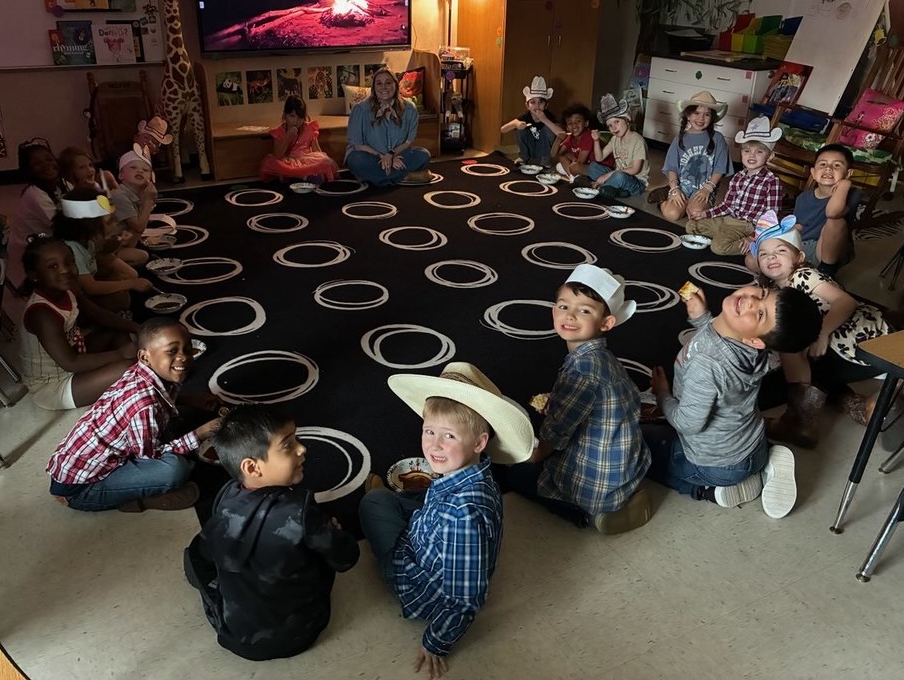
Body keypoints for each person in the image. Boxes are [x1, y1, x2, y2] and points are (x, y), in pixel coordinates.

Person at [359, 362, 534, 679]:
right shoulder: (477, 472)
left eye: (449, 436)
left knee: (373, 503)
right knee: (418, 495)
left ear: (479, 442)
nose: (434, 445)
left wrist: (436, 643)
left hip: (413, 578)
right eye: (429, 431)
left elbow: (464, 598)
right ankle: (397, 501)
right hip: (432, 526)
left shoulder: (462, 514)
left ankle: (384, 501)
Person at [183, 405, 359, 661]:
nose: (302, 448)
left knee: (196, 555)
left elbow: (208, 551)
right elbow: (346, 559)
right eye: (288, 445)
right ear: (253, 468)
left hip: (235, 634)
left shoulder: (226, 496)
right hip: (299, 634)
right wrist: (336, 533)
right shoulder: (300, 512)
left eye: (296, 438)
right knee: (319, 550)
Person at [645, 281, 822, 519]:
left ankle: (709, 491)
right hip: (752, 444)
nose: (751, 301)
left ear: (755, 341)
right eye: (761, 294)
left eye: (760, 314)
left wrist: (662, 395)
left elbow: (687, 422)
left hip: (715, 465)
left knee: (644, 453)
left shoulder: (707, 364)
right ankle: (765, 462)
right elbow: (725, 345)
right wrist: (702, 319)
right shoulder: (754, 347)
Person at [503, 264, 653, 533]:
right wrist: (558, 401)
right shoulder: (603, 359)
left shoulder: (581, 371)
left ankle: (585, 514)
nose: (570, 315)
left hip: (593, 484)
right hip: (626, 464)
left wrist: (516, 451)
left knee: (515, 475)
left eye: (584, 310)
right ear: (554, 310)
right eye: (563, 306)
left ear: (606, 323)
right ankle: (619, 497)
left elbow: (547, 445)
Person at [46, 317, 220, 512]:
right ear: (145, 357)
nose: (183, 357)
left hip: (94, 464)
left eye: (187, 350)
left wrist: (190, 400)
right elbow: (150, 455)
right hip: (81, 489)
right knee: (175, 470)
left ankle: (135, 482)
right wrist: (200, 433)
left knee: (173, 427)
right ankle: (137, 501)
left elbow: (160, 400)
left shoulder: (144, 373)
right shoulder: (144, 404)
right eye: (172, 351)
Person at [752, 211, 893, 447]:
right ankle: (859, 406)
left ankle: (799, 424)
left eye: (781, 251)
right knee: (805, 370)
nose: (771, 257)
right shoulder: (774, 288)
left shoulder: (804, 275)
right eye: (764, 254)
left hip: (866, 345)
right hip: (844, 348)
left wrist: (821, 333)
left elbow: (846, 302)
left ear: (799, 257)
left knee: (791, 348)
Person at [17, 237, 138, 410]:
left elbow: (97, 314)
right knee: (126, 368)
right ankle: (133, 377)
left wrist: (140, 329)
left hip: (75, 354)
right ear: (34, 276)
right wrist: (120, 354)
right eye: (53, 266)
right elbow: (70, 363)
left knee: (115, 330)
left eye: (70, 262)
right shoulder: (41, 313)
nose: (65, 270)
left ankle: (133, 375)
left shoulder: (67, 289)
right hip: (54, 386)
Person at [685, 115, 784, 255]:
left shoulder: (772, 181)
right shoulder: (738, 177)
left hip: (746, 226)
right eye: (747, 151)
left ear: (770, 156)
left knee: (718, 248)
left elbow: (771, 215)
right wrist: (705, 214)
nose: (752, 155)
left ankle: (754, 245)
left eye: (759, 152)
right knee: (691, 226)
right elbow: (727, 205)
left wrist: (753, 237)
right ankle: (723, 236)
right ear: (741, 152)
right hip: (727, 219)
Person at [52, 189, 153, 314]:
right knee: (121, 299)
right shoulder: (71, 250)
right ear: (89, 223)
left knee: (128, 275)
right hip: (80, 302)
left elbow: (104, 253)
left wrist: (118, 240)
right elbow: (90, 287)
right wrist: (131, 284)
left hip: (92, 277)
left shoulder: (86, 239)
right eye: (109, 221)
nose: (114, 223)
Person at [344, 67, 432, 186]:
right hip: (370, 155)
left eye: (388, 83)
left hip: (397, 154)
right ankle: (405, 176)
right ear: (374, 88)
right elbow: (358, 145)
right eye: (379, 83)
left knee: (423, 155)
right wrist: (383, 156)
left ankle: (373, 177)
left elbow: (408, 142)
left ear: (396, 85)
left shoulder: (410, 108)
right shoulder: (360, 109)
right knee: (356, 160)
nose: (384, 87)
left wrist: (391, 155)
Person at [659, 91, 730, 222]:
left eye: (707, 114)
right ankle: (663, 199)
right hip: (682, 186)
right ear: (688, 115)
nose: (701, 118)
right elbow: (671, 167)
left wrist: (708, 189)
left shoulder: (718, 138)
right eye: (696, 113)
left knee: (695, 214)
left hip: (705, 186)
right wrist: (674, 189)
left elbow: (720, 168)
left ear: (712, 117)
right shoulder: (679, 138)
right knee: (672, 214)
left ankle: (689, 206)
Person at [793, 143, 862, 276]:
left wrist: (844, 184)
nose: (829, 168)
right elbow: (798, 226)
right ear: (813, 172)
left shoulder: (852, 194)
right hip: (804, 247)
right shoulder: (803, 197)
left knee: (835, 221)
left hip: (831, 250)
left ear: (848, 173)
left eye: (837, 165)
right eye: (823, 164)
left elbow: (833, 212)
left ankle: (826, 272)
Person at [6, 139, 62, 288]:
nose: (46, 165)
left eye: (49, 159)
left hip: (46, 244)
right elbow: (64, 225)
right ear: (28, 170)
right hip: (29, 260)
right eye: (37, 163)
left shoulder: (59, 184)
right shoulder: (35, 195)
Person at [259, 95, 339, 184]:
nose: (296, 121)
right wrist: (288, 137)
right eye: (292, 116)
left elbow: (317, 151)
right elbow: (277, 155)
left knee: (324, 161)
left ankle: (298, 176)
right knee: (274, 162)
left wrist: (322, 164)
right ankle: (298, 176)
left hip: (307, 161)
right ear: (285, 115)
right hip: (289, 162)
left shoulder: (309, 128)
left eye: (300, 117)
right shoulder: (279, 132)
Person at [590, 94, 649, 198]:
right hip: (618, 174)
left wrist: (609, 175)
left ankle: (601, 187)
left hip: (636, 181)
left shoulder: (638, 141)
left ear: (627, 119)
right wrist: (596, 141)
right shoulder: (615, 139)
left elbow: (635, 169)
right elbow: (599, 158)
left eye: (617, 122)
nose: (614, 128)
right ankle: (615, 189)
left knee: (619, 177)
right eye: (610, 125)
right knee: (593, 167)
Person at [499, 76, 564, 166]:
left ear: (546, 105)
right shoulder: (526, 116)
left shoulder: (548, 116)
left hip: (544, 151)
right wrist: (516, 124)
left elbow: (562, 134)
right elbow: (503, 129)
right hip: (530, 148)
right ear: (527, 105)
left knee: (549, 128)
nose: (537, 106)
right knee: (519, 128)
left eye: (541, 102)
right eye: (533, 102)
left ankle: (545, 160)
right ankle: (524, 157)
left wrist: (545, 120)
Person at [110, 150, 158, 249]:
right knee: (141, 256)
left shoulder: (139, 194)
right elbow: (139, 227)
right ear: (121, 175)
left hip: (124, 241)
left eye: (145, 170)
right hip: (109, 248)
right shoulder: (119, 195)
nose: (140, 171)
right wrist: (148, 200)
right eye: (133, 167)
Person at [552, 102, 601, 181]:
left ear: (586, 123)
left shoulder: (588, 135)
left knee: (574, 167)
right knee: (560, 164)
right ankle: (573, 178)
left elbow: (580, 162)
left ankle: (576, 178)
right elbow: (555, 155)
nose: (574, 125)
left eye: (578, 121)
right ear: (567, 127)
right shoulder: (571, 137)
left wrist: (572, 159)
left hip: (599, 168)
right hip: (584, 166)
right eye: (570, 123)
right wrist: (558, 139)